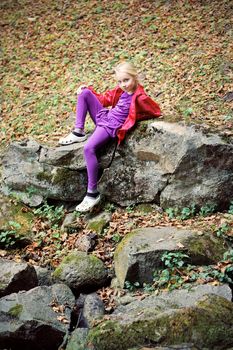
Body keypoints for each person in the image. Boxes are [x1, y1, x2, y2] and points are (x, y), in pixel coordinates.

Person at [59, 61, 161, 212]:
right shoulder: (122, 91)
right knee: (84, 93)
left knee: (88, 149)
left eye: (126, 80)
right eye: (120, 81)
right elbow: (103, 99)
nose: (123, 85)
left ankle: (92, 193)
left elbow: (154, 110)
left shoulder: (139, 96)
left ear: (135, 77)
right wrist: (87, 90)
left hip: (111, 127)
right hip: (105, 117)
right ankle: (78, 131)